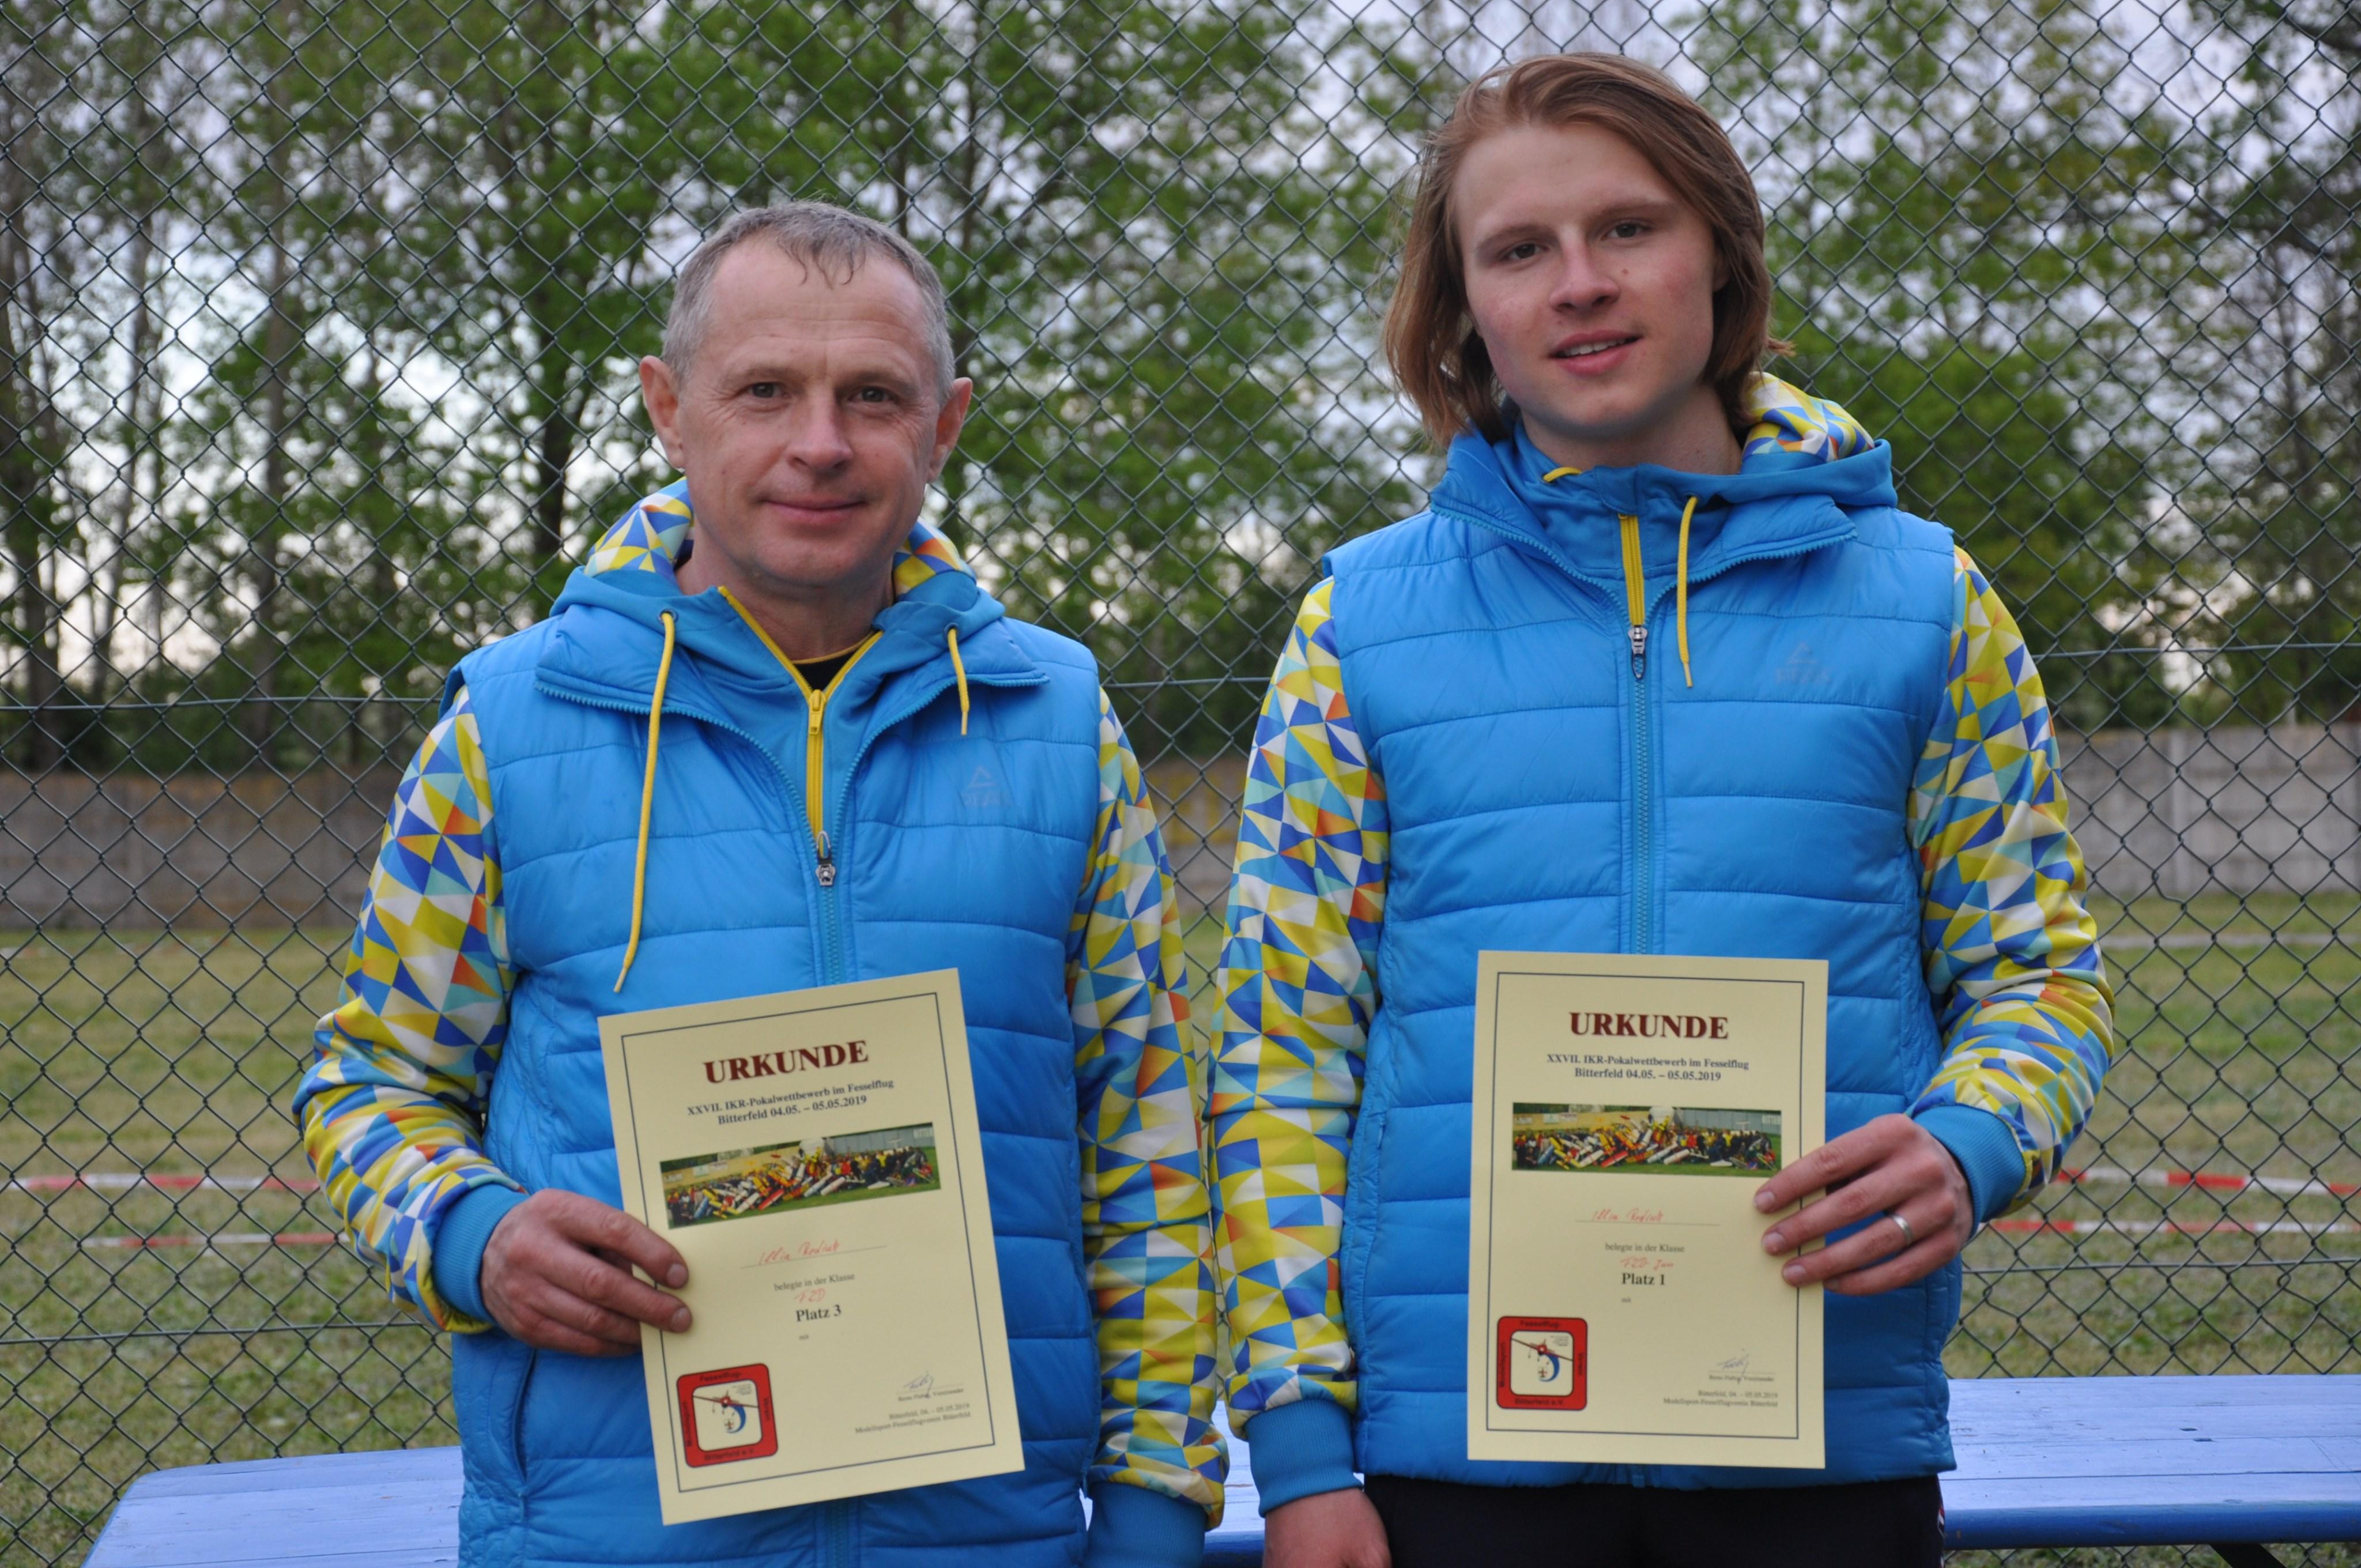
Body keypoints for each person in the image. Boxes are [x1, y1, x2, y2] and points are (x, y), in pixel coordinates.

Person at [1208, 55, 2113, 1568]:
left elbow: (2040, 977)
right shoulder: (1356, 625)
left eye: (1627, 227)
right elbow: (1279, 1052)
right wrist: (1300, 1444)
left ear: (1721, 255)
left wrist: (1969, 1142)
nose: (1579, 282)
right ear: (1463, 307)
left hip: (1818, 1440)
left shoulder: (1925, 600)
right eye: (1518, 248)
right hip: (1457, 1459)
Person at [295, 202, 1222, 1568]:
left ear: (945, 424)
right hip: (611, 1540)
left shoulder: (1057, 723)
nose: (821, 442)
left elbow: (1144, 1134)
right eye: (766, 390)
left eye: (873, 396)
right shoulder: (505, 728)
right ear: (670, 411)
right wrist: (468, 1233)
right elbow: (367, 1082)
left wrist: (1153, 1498)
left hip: (986, 1536)